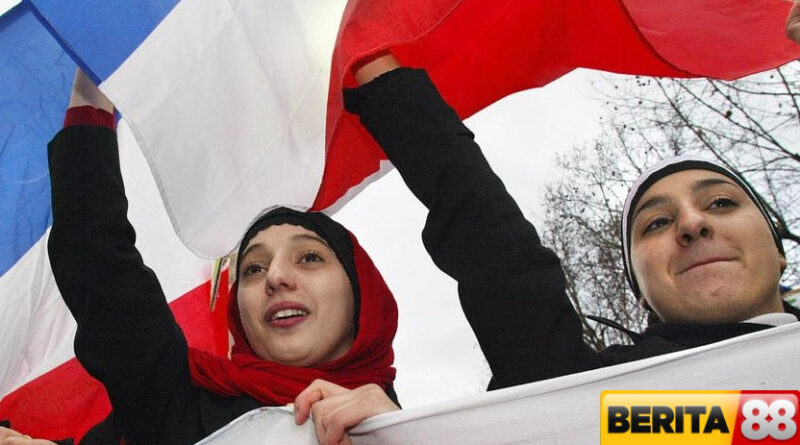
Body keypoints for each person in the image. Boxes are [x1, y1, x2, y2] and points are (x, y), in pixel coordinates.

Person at [295, 53, 799, 442]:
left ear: (779, 252)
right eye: (657, 223)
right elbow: (498, 252)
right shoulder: (617, 411)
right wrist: (406, 436)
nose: (692, 223)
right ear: (642, 293)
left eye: (721, 203)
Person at [3, 68, 399, 445]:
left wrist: (404, 435)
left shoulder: (410, 428)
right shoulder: (176, 403)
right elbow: (96, 253)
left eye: (309, 258)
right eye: (253, 269)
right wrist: (95, 71)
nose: (276, 276)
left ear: (363, 298)